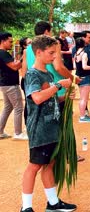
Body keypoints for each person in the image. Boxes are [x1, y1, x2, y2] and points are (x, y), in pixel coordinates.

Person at [20, 36, 76, 212]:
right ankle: (26, 207)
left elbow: (49, 98)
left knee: (49, 163)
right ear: (38, 52)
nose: (54, 57)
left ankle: (53, 203)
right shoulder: (32, 74)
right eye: (51, 53)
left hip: (51, 126)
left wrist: (62, 97)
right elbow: (36, 98)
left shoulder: (48, 74)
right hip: (40, 128)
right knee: (34, 165)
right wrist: (59, 85)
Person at [0, 32, 27, 140]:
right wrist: (23, 58)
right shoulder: (3, 53)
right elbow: (15, 67)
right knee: (18, 108)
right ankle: (18, 133)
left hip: (5, 84)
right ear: (3, 41)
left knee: (8, 107)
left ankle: (0, 131)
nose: (11, 44)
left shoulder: (4, 53)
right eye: (10, 41)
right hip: (10, 85)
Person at [74, 38, 90, 123]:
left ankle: (82, 115)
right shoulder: (84, 54)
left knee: (82, 98)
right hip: (85, 77)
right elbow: (85, 67)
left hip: (79, 76)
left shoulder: (76, 54)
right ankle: (82, 116)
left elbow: (76, 66)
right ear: (83, 44)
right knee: (84, 99)